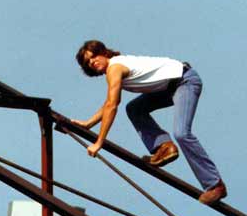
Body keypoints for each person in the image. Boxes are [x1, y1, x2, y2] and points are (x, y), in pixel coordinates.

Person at [71, 40, 227, 205]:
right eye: (88, 62)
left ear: (104, 53)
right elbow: (109, 102)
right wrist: (89, 123)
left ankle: (215, 185)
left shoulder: (114, 68)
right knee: (134, 108)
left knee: (181, 133)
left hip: (184, 81)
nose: (92, 62)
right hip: (168, 87)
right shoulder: (115, 68)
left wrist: (99, 142)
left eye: (94, 56)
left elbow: (112, 105)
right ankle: (164, 147)